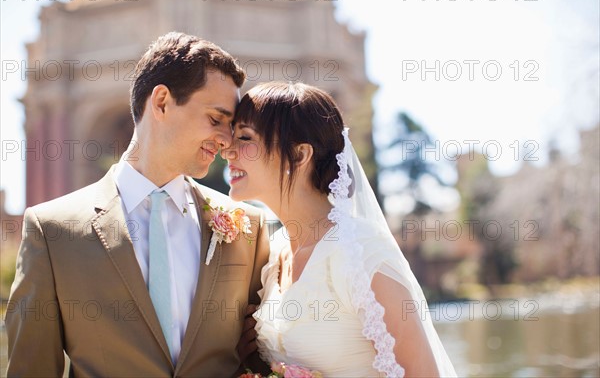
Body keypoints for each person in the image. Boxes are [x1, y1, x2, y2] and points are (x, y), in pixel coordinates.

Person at [5, 32, 270, 377]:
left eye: (231, 126)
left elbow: (259, 361)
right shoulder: (52, 230)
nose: (226, 139)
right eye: (216, 119)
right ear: (161, 102)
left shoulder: (248, 227)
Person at [226, 82, 457, 377]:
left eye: (244, 137)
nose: (228, 151)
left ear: (299, 155)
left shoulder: (361, 251)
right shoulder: (274, 258)